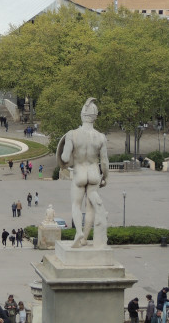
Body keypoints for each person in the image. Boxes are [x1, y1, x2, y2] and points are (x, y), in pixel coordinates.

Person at [56, 98, 109, 248]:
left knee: (76, 205)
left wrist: (64, 157)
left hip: (79, 173)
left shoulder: (72, 134)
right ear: (95, 117)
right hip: (94, 174)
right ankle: (85, 238)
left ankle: (78, 232)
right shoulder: (100, 137)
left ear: (81, 115)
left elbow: (65, 158)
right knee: (90, 207)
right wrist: (105, 177)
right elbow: (104, 162)